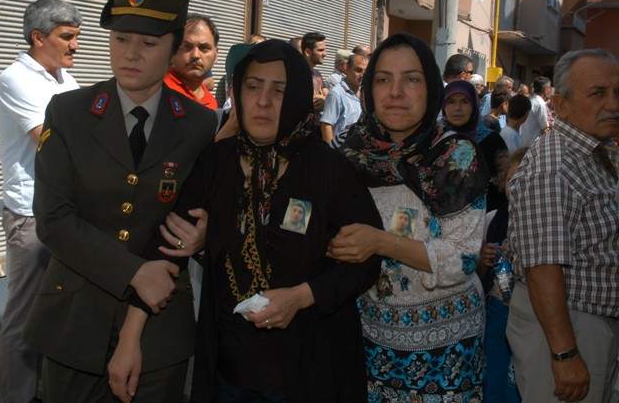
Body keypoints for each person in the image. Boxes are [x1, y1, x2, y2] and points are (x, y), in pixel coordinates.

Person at [22, 0, 218, 403]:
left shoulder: (200, 124)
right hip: (75, 319)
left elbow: (192, 217)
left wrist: (203, 235)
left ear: (173, 49)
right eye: (121, 38)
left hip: (160, 326)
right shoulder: (70, 112)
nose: (130, 53)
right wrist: (133, 272)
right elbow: (53, 218)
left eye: (148, 43)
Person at [160, 39, 380, 402]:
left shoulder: (328, 169)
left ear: (298, 96)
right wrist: (202, 240)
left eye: (279, 90)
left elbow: (366, 263)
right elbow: (175, 234)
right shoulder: (217, 161)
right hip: (227, 369)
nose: (263, 102)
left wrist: (303, 296)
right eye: (253, 87)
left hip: (307, 368)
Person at [328, 32, 488, 402]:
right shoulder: (350, 151)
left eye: (412, 79)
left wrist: (380, 242)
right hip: (365, 341)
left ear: (431, 88)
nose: (396, 92)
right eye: (383, 79)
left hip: (444, 351)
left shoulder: (455, 157)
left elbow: (463, 259)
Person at [506, 49, 619, 403]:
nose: (613, 104)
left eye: (617, 92)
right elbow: (543, 268)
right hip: (567, 328)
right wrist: (565, 354)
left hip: (587, 324)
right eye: (598, 93)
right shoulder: (554, 166)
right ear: (561, 105)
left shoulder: (594, 152)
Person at [0, 0, 82, 403]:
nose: (75, 45)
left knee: (57, 310)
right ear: (38, 37)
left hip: (65, 210)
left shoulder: (65, 79)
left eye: (76, 36)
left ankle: (46, 391)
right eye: (67, 37)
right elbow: (50, 142)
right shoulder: (15, 78)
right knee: (24, 316)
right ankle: (19, 396)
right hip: (31, 213)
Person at [477, 147, 528, 403]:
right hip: (497, 310)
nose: (515, 186)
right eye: (510, 180)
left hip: (527, 311)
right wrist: (484, 259)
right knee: (494, 372)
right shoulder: (493, 219)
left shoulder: (540, 222)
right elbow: (479, 273)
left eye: (523, 180)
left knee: (517, 378)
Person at [443, 79, 508, 211]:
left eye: (465, 102)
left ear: (474, 104)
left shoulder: (492, 140)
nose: (457, 108)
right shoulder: (436, 140)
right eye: (451, 102)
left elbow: (502, 184)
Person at [163, 13, 220, 109]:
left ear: (216, 54)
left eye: (204, 48)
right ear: (173, 50)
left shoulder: (211, 103)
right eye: (187, 46)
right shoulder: (156, 89)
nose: (195, 55)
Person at [320, 53, 369, 143]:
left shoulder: (364, 93)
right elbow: (326, 126)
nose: (362, 75)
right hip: (341, 149)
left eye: (366, 71)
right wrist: (331, 150)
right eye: (358, 70)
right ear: (347, 68)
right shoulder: (336, 94)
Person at [519, 76, 551, 147]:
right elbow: (545, 129)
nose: (550, 90)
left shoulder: (531, 101)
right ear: (545, 89)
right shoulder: (540, 104)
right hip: (534, 145)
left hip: (524, 143)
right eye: (549, 88)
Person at [301, 31, 328, 113]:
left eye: (324, 50)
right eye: (320, 50)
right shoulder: (295, 73)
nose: (325, 54)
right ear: (307, 52)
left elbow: (329, 96)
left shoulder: (317, 73)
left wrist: (324, 100)